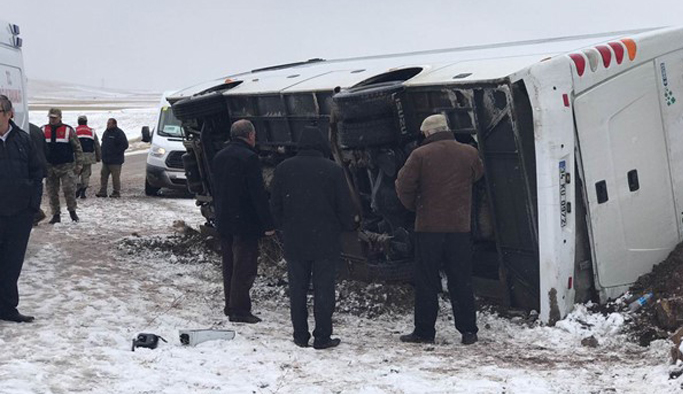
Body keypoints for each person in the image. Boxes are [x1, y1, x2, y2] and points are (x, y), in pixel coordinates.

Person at [395, 114, 484, 345]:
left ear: (427, 133)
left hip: (428, 228)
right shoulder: (469, 153)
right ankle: (468, 331)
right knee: (461, 279)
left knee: (426, 280)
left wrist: (416, 206)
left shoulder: (420, 155)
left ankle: (425, 331)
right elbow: (478, 175)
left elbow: (403, 185)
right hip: (459, 227)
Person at [270, 126, 356, 350]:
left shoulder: (283, 169)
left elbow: (275, 205)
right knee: (324, 289)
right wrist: (347, 226)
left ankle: (300, 335)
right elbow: (344, 207)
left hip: (295, 239)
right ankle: (322, 336)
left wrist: (283, 226)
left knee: (297, 289)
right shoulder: (333, 171)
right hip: (325, 240)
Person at [211, 119, 274, 324]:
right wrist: (268, 223)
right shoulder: (249, 158)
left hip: (224, 219)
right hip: (245, 221)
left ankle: (230, 305)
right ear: (249, 136)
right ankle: (240, 309)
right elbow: (257, 194)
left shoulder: (219, 157)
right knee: (244, 266)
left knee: (228, 263)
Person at [0, 95, 42, 322]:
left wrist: (32, 207)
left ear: (9, 114)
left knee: (12, 263)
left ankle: (7, 309)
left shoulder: (23, 141)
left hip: (18, 216)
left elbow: (37, 174)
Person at [42, 108, 84, 223]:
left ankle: (72, 213)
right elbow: (38, 149)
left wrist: (79, 164)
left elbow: (77, 148)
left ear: (60, 117)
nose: (52, 120)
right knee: (52, 192)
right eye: (51, 117)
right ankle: (56, 215)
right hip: (50, 166)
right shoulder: (43, 130)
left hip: (66, 166)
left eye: (55, 118)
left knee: (69, 190)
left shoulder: (68, 130)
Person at [96, 118, 128, 198]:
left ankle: (116, 192)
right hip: (106, 160)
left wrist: (116, 153)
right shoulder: (106, 132)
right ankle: (103, 191)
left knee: (115, 177)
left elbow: (125, 145)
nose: (108, 125)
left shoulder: (119, 133)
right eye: (107, 123)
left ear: (114, 124)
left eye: (109, 123)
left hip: (115, 161)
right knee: (103, 176)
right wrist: (101, 154)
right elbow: (103, 144)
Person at [74, 115, 101, 199]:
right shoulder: (92, 131)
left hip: (77, 156)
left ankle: (77, 186)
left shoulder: (74, 130)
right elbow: (96, 144)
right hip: (89, 156)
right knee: (86, 174)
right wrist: (98, 156)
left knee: (75, 173)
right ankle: (83, 191)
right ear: (86, 122)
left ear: (78, 122)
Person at [28, 122, 48, 225]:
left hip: (31, 165)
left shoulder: (21, 131)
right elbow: (45, 148)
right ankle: (36, 214)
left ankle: (35, 214)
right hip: (40, 164)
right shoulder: (37, 129)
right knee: (35, 190)